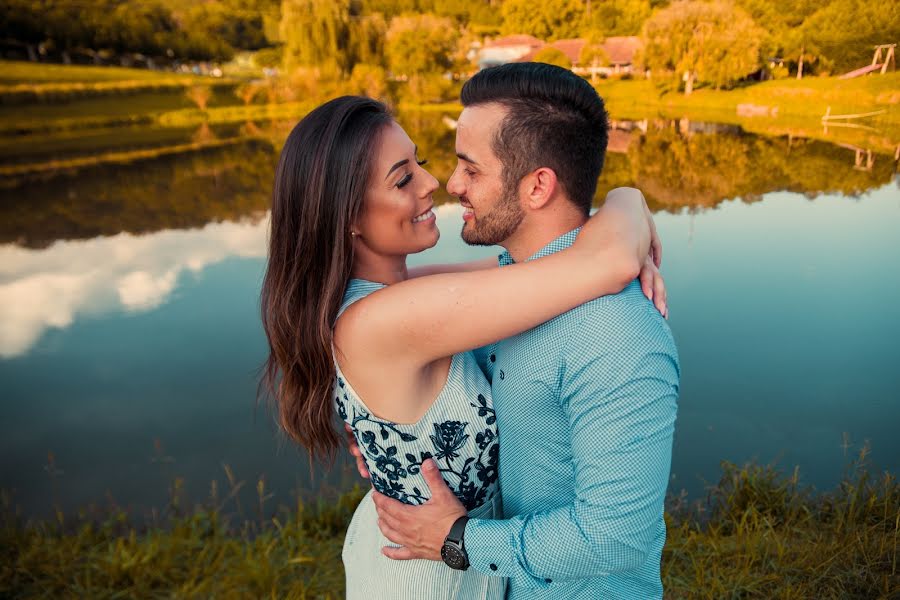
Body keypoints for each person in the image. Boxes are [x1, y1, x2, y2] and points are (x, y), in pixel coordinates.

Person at [260, 93, 666, 599]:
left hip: (453, 557)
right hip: (426, 576)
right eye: (404, 178)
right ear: (349, 217)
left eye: (421, 164)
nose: (436, 184)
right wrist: (629, 198)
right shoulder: (390, 318)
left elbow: (526, 270)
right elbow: (604, 265)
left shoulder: (399, 296)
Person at [363, 63, 680, 599]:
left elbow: (615, 540)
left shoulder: (616, 334)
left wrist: (459, 539)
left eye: (471, 169)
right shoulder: (505, 288)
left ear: (538, 186)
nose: (451, 184)